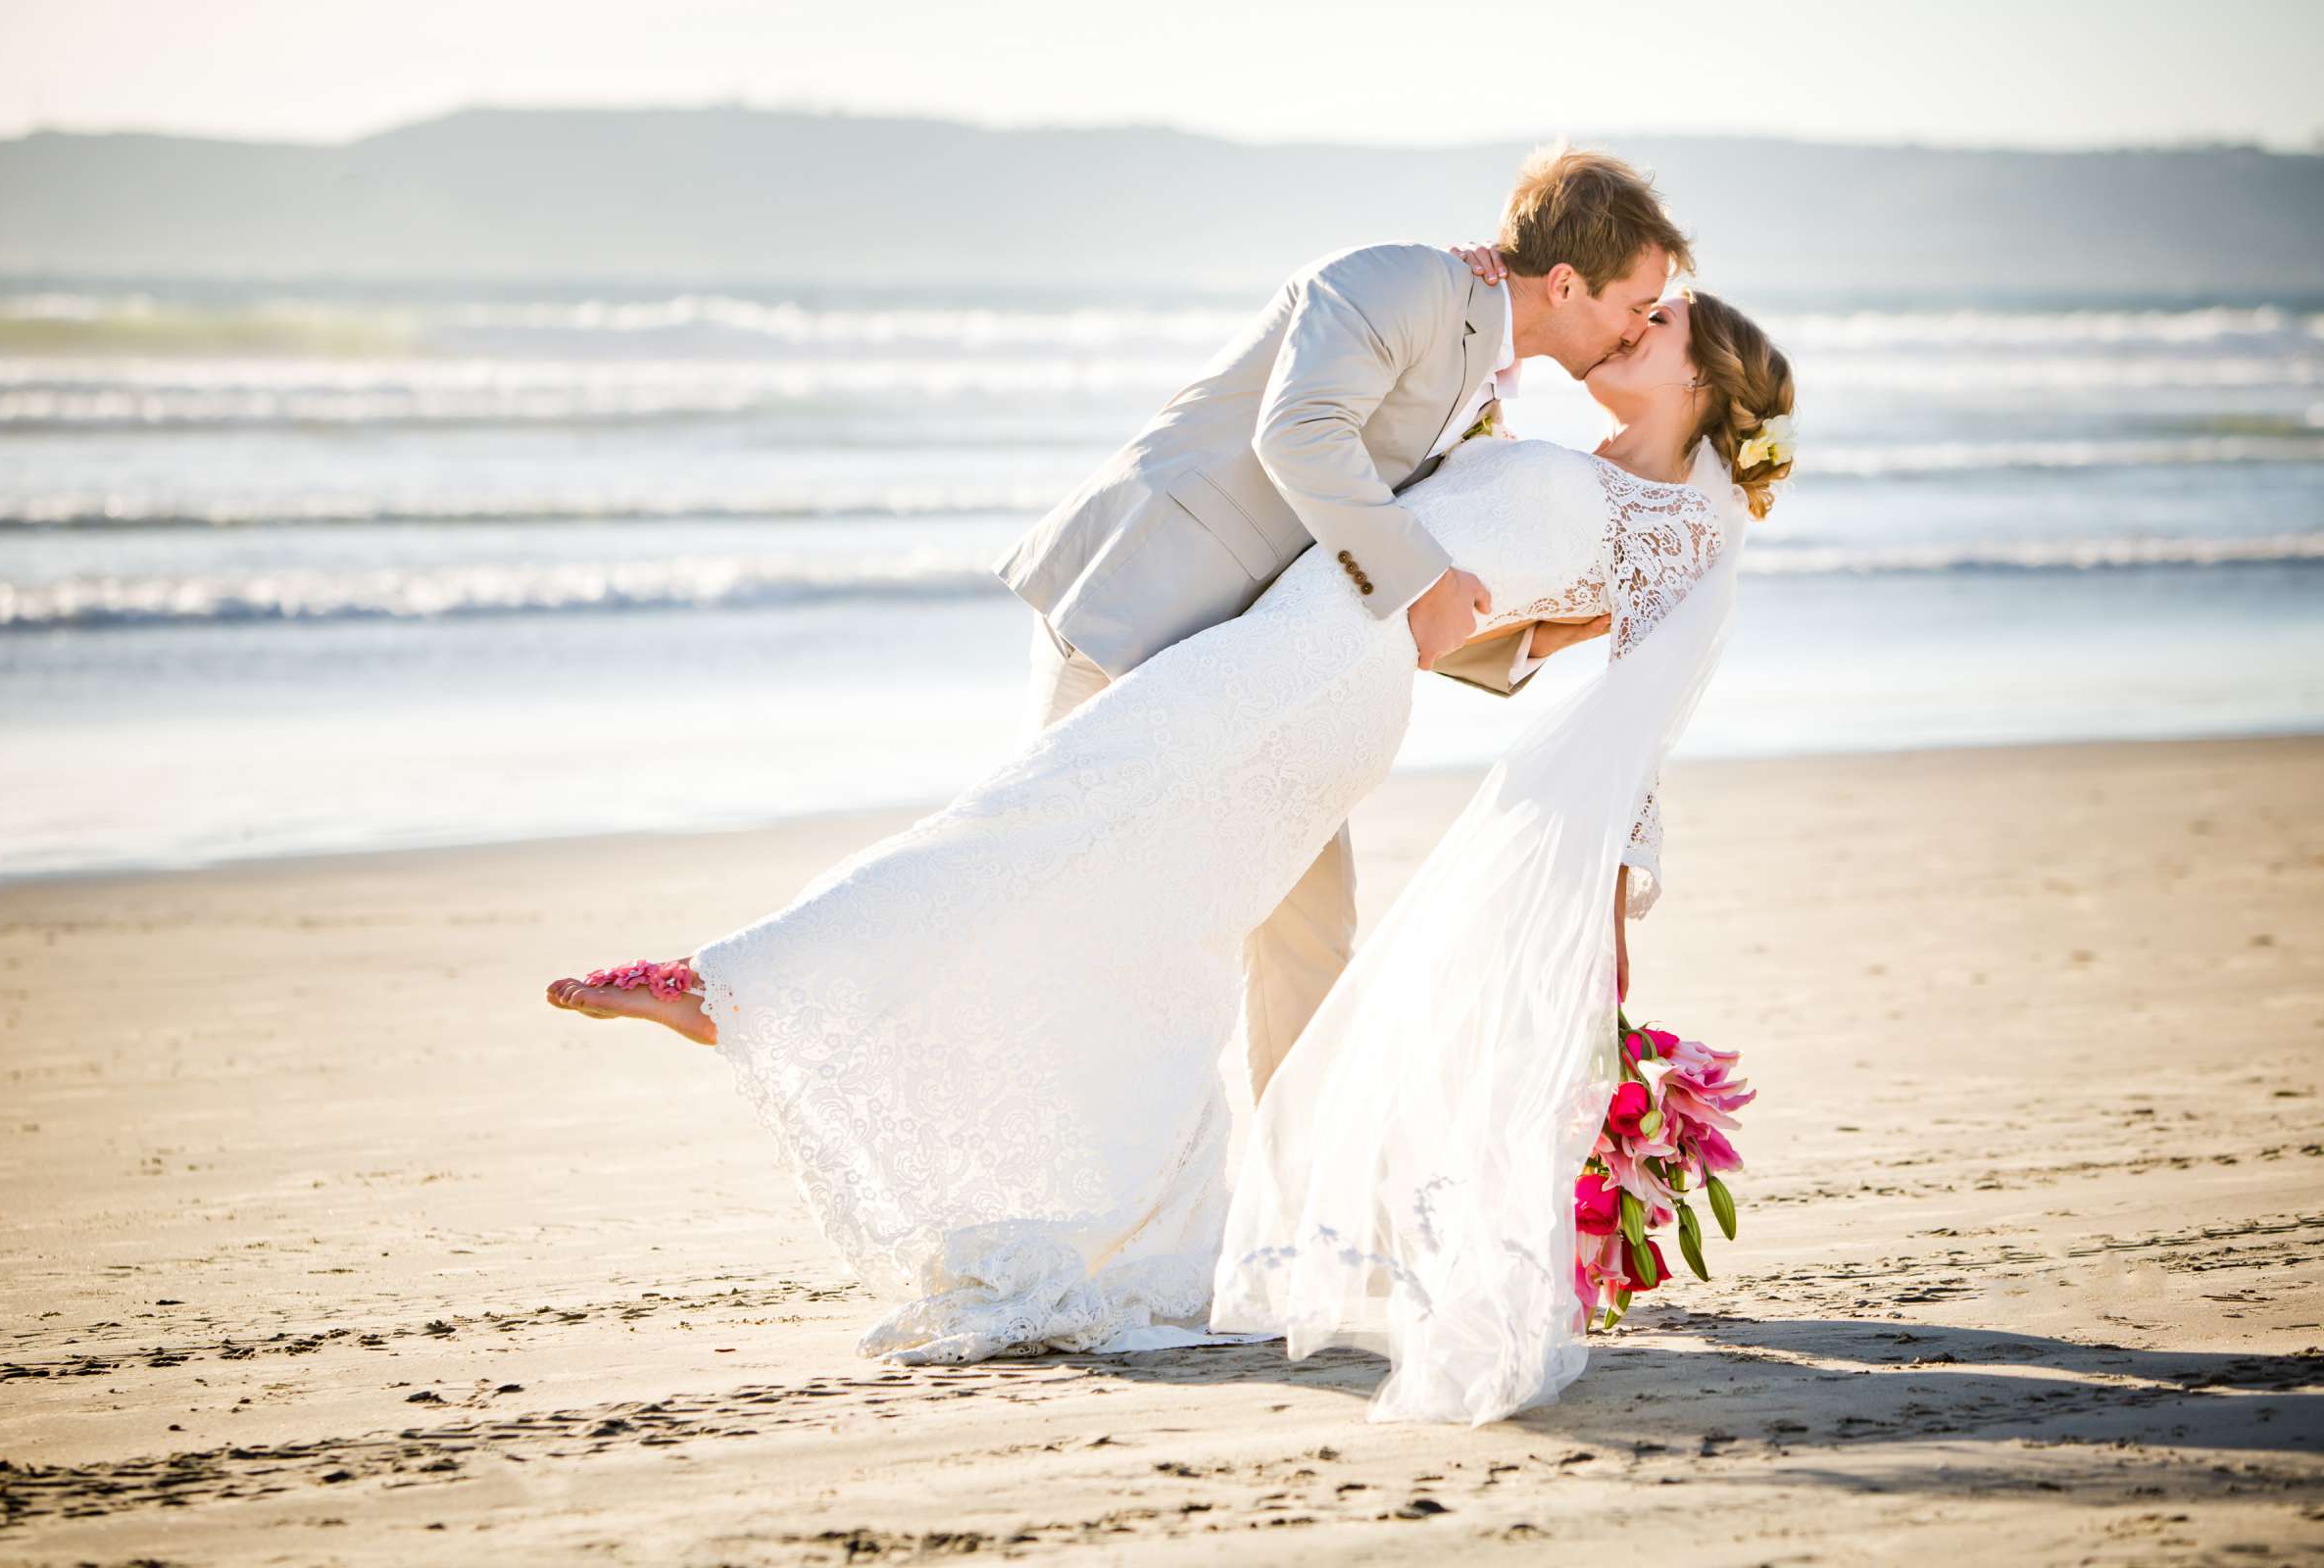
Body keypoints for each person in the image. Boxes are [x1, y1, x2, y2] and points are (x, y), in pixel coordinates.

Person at [545, 240, 1799, 1420]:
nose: (1641, 320)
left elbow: (1624, 705)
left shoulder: (1684, 529)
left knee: (1054, 815)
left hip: (1314, 684)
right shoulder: (1545, 447)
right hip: (1286, 662)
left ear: (1706, 377)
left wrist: (1612, 882)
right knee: (1141, 914)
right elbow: (1453, 575)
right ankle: (1160, 1221)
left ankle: (741, 984)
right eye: (1643, 300)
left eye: (1665, 319)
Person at [997, 143, 1693, 1103]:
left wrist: (1536, 638)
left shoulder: (1485, 384)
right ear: (1569, 282)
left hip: (1261, 665)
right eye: (1633, 305)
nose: (1637, 329)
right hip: (1138, 611)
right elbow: (1301, 433)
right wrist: (1423, 583)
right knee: (1053, 893)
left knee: (1311, 928)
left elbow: (1380, 547)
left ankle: (1294, 1206)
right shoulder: (1398, 281)